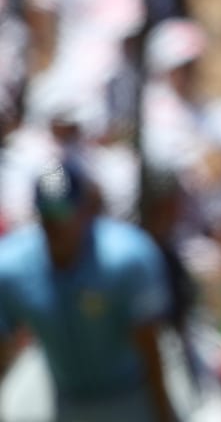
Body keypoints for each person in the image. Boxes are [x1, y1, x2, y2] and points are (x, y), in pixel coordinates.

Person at [0, 161, 178, 422]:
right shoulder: (13, 267)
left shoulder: (125, 257)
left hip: (127, 396)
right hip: (66, 398)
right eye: (47, 216)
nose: (55, 226)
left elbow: (149, 342)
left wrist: (163, 413)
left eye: (63, 214)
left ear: (84, 211)